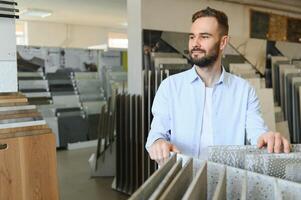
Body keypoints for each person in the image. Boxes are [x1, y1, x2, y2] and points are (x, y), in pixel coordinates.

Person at [145, 7, 291, 166]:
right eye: (192, 37)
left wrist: (267, 137)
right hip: (182, 182)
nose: (195, 43)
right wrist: (159, 143)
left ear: (223, 42)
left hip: (227, 183)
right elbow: (156, 134)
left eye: (204, 37)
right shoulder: (170, 87)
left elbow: (257, 131)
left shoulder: (244, 91)